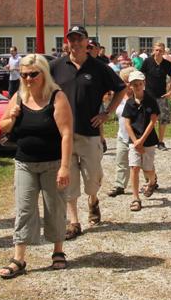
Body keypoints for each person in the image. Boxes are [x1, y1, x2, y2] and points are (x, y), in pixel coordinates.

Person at [0, 54, 74, 277]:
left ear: (43, 74)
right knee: (24, 208)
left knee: (55, 207)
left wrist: (65, 166)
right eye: (24, 75)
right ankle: (19, 258)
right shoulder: (19, 97)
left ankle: (58, 251)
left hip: (52, 163)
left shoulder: (56, 97)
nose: (28, 79)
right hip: (25, 163)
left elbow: (66, 133)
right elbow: (3, 127)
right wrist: (11, 117)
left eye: (33, 74)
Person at [50, 25, 126, 238]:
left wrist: (107, 113)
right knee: (69, 177)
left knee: (92, 178)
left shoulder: (98, 67)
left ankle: (93, 200)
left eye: (78, 39)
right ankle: (73, 221)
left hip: (89, 132)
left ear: (86, 42)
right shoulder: (56, 66)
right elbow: (42, 88)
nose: (74, 44)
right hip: (63, 134)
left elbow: (121, 89)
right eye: (71, 40)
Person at [122, 70, 160, 212]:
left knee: (147, 168)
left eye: (139, 84)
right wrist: (135, 141)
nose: (137, 86)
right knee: (134, 167)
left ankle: (152, 181)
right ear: (130, 86)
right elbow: (127, 123)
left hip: (148, 140)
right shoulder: (130, 103)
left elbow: (153, 121)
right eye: (134, 84)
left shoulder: (151, 100)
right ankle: (135, 198)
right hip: (134, 141)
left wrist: (142, 140)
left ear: (143, 84)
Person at [106, 67, 135, 197]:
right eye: (124, 81)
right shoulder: (119, 97)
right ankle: (119, 185)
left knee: (143, 163)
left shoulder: (141, 96)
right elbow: (110, 109)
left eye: (129, 81)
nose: (127, 84)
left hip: (138, 137)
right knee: (121, 161)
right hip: (122, 135)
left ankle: (150, 180)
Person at [141, 42, 171, 151]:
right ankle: (146, 140)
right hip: (148, 95)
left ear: (164, 51)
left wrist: (170, 91)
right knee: (146, 119)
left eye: (160, 50)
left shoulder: (166, 64)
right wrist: (141, 90)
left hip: (162, 95)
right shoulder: (147, 62)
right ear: (153, 50)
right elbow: (141, 76)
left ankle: (160, 142)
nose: (158, 52)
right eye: (156, 50)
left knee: (163, 120)